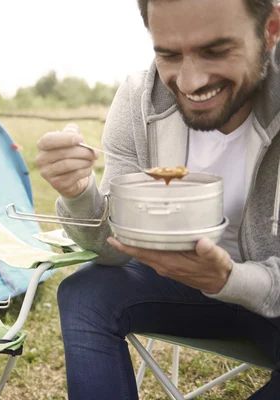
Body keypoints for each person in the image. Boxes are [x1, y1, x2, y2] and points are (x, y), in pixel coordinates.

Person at [35, 0, 280, 398]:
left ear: (270, 29)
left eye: (215, 51)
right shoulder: (139, 99)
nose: (189, 82)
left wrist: (230, 280)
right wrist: (79, 194)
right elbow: (113, 249)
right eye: (168, 54)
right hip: (186, 286)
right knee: (85, 293)